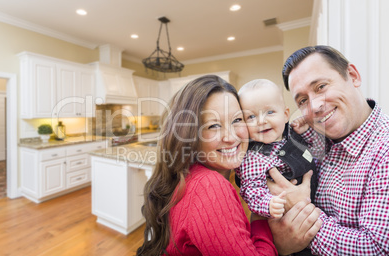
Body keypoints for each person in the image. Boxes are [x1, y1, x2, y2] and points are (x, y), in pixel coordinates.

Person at [136, 75, 320, 255]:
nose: (231, 137)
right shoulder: (209, 187)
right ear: (189, 134)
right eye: (213, 126)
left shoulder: (190, 175)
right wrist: (273, 236)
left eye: (237, 120)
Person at [267, 45, 389, 255]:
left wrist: (301, 214)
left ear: (353, 75)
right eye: (303, 100)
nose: (314, 106)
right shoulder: (312, 140)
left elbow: (377, 248)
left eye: (321, 86)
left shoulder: (383, 150)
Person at [235, 79, 318, 219]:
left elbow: (316, 148)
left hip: (318, 202)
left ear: (285, 115)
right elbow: (251, 190)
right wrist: (268, 204)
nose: (261, 121)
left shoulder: (293, 134)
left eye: (270, 112)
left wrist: (305, 131)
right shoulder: (253, 157)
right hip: (286, 215)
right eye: (251, 116)